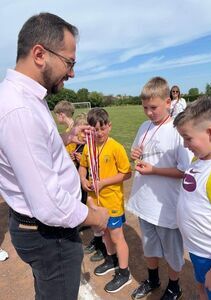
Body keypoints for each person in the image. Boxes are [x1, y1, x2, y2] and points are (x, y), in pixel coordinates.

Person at [0, 12, 109, 300]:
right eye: (69, 62)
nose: (72, 73)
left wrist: (64, 138)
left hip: (39, 229)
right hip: (50, 234)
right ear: (39, 54)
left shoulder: (22, 98)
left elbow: (30, 151)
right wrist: (95, 216)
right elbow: (49, 205)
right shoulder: (20, 109)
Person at [127, 77, 192, 300]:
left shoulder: (177, 131)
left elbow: (186, 170)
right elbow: (138, 152)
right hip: (145, 202)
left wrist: (154, 170)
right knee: (149, 246)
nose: (148, 112)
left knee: (173, 252)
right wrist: (134, 154)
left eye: (153, 107)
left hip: (167, 206)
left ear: (168, 102)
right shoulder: (144, 127)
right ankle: (153, 279)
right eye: (145, 107)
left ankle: (174, 286)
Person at [174, 97, 211, 300]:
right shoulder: (198, 160)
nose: (185, 145)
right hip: (197, 252)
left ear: (210, 133)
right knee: (201, 289)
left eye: (188, 138)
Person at [79, 108, 132, 293]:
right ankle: (111, 260)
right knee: (105, 234)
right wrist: (83, 179)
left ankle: (124, 273)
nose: (99, 133)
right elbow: (83, 166)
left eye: (102, 128)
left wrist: (103, 183)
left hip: (112, 202)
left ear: (109, 126)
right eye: (95, 130)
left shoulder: (115, 147)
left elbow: (127, 173)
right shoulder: (88, 146)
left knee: (117, 236)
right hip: (96, 201)